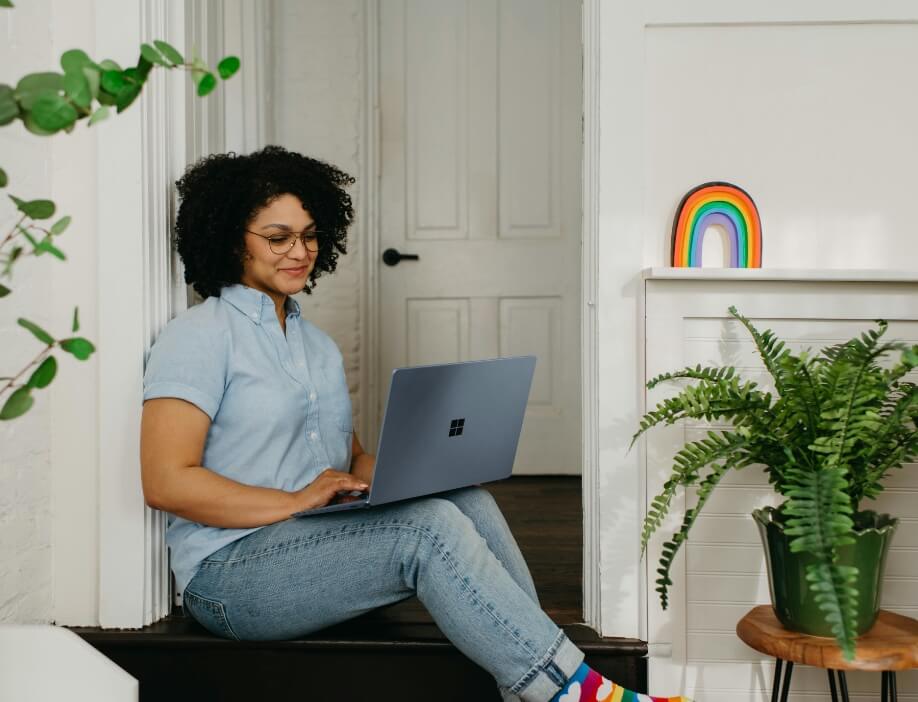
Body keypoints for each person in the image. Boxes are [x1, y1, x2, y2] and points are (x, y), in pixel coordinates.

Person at [140, 145, 688, 702]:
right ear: (233, 239)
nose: (300, 251)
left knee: (465, 502)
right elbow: (166, 480)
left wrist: (415, 472)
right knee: (428, 528)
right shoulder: (199, 337)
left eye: (309, 235)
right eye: (278, 237)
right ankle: (572, 691)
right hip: (231, 574)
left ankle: (551, 680)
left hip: (308, 540)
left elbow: (345, 457)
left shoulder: (318, 346)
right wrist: (295, 501)